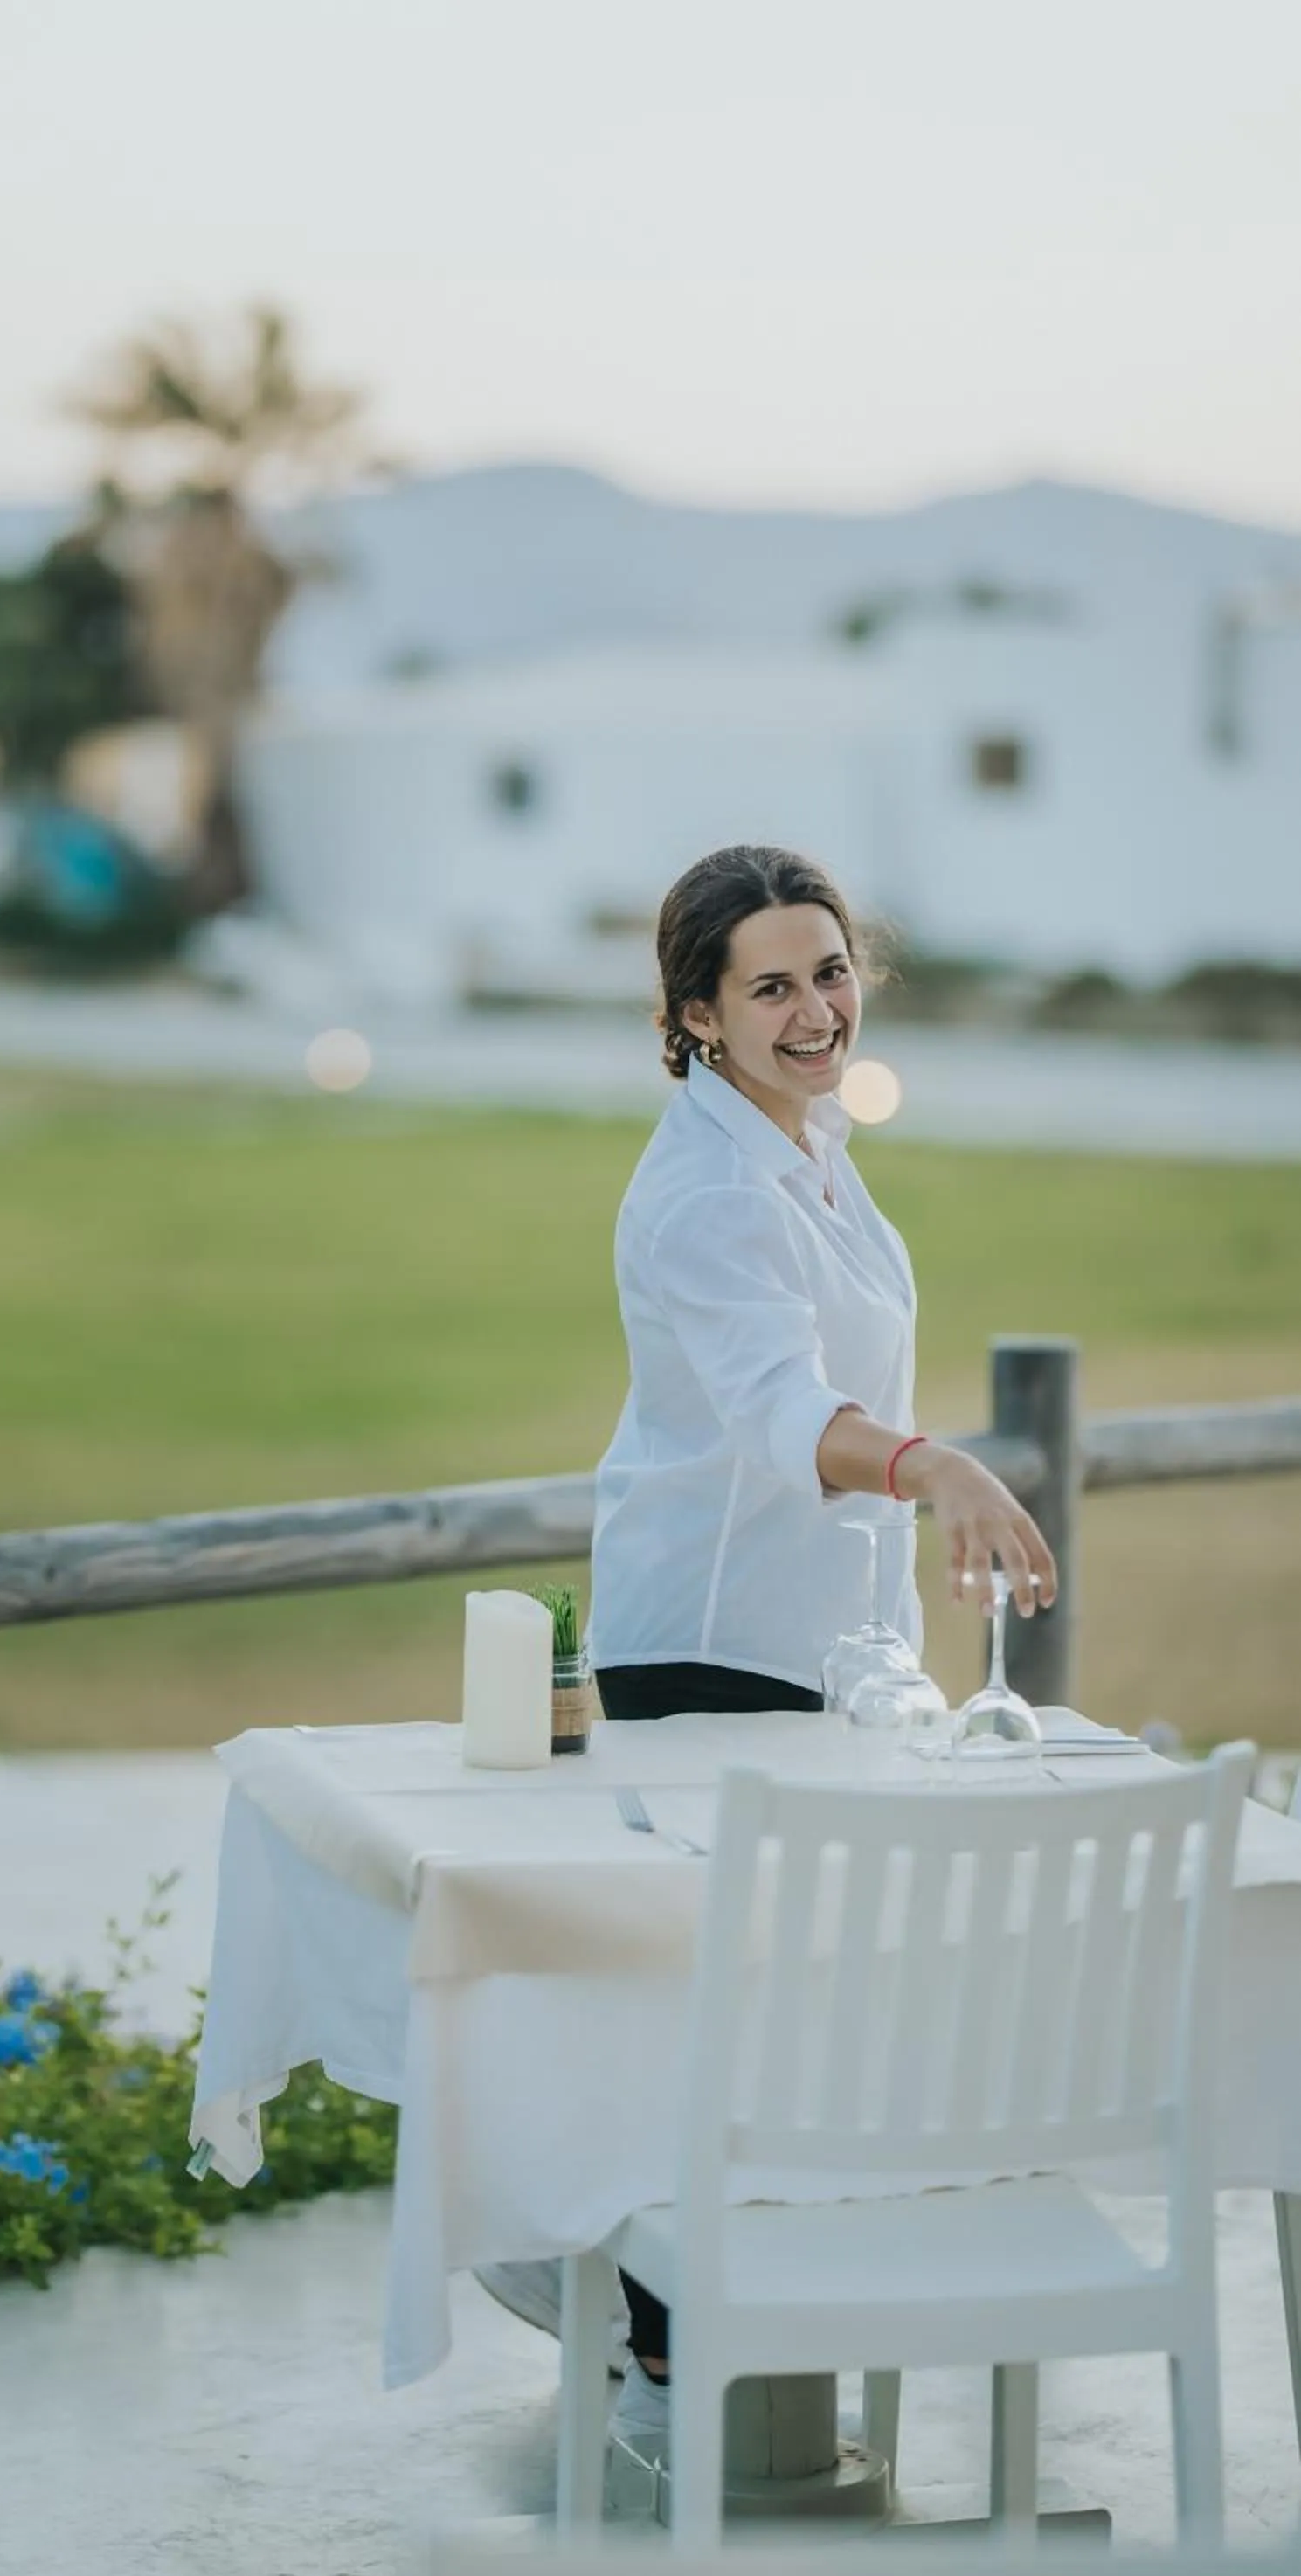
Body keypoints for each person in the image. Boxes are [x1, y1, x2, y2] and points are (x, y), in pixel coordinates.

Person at [481, 841, 1060, 2466]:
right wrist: (935, 1465)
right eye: (771, 987)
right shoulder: (711, 1191)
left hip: (823, 1647)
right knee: (717, 2017)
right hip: (713, 1646)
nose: (815, 1011)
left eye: (830, 971)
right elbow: (780, 1413)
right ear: (694, 1015)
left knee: (795, 2004)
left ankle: (601, 2266)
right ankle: (642, 2334)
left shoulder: (803, 1144)